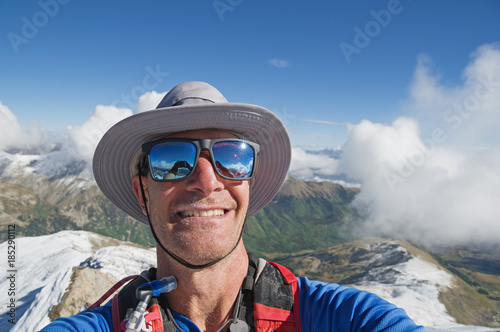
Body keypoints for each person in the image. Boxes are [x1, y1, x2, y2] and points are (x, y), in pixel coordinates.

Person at [41, 81, 423, 332]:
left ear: (248, 184)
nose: (207, 181)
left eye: (231, 157)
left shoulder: (345, 317)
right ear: (142, 191)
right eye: (172, 158)